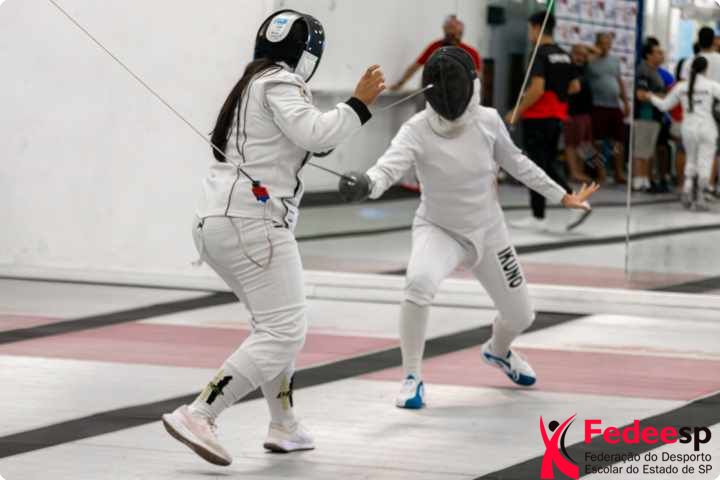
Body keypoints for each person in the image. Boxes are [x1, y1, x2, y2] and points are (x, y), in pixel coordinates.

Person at [160, 10, 385, 466]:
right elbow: (315, 133)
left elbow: (308, 138)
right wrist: (359, 104)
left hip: (219, 221)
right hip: (253, 224)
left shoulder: (252, 84)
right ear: (307, 56)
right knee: (285, 330)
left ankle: (284, 425)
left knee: (273, 326)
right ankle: (200, 413)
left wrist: (341, 118)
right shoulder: (281, 82)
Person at [337, 47, 598, 409]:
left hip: (489, 231)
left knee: (522, 316)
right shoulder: (416, 129)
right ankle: (411, 377)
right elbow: (387, 168)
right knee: (418, 284)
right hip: (438, 229)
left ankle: (498, 351)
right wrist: (367, 183)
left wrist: (562, 196)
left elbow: (518, 164)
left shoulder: (488, 121)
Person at [505, 11, 585, 232]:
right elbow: (575, 87)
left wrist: (517, 111)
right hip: (556, 117)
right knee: (546, 165)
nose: (529, 34)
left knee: (536, 168)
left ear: (537, 27)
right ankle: (553, 209)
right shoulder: (564, 55)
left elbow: (537, 89)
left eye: (530, 29)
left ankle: (553, 210)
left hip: (537, 118)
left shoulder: (539, 54)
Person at [639, 56, 720, 210]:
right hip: (707, 128)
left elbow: (664, 106)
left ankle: (687, 190)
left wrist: (650, 96)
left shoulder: (681, 87)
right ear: (706, 69)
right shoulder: (712, 86)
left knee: (691, 159)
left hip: (688, 128)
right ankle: (700, 198)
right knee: (705, 162)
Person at [389, 14, 481, 91]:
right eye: (449, 32)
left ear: (461, 33)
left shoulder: (471, 52)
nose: (452, 36)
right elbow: (415, 66)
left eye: (456, 33)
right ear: (444, 31)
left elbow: (477, 77)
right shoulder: (435, 47)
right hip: (434, 91)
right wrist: (400, 83)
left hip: (458, 92)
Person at [585, 32, 631, 184]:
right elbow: (579, 52)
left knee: (618, 141)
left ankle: (618, 172)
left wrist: (625, 102)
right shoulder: (590, 60)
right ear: (597, 43)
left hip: (614, 105)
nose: (607, 46)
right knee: (597, 142)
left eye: (609, 43)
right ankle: (601, 172)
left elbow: (619, 81)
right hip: (598, 105)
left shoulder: (614, 60)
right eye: (603, 43)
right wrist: (594, 52)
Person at [564, 44, 602, 184]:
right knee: (571, 144)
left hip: (585, 111)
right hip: (572, 112)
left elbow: (598, 52)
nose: (580, 57)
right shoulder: (567, 67)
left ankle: (579, 171)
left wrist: (583, 47)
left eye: (583, 55)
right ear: (571, 54)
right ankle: (574, 172)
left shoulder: (584, 66)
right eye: (577, 54)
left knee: (584, 144)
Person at [633, 42, 666, 192]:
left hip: (654, 117)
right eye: (658, 52)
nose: (662, 55)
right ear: (648, 55)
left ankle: (645, 178)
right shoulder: (643, 70)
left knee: (648, 149)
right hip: (645, 115)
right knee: (641, 148)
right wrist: (663, 97)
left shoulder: (656, 71)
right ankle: (638, 179)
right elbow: (640, 94)